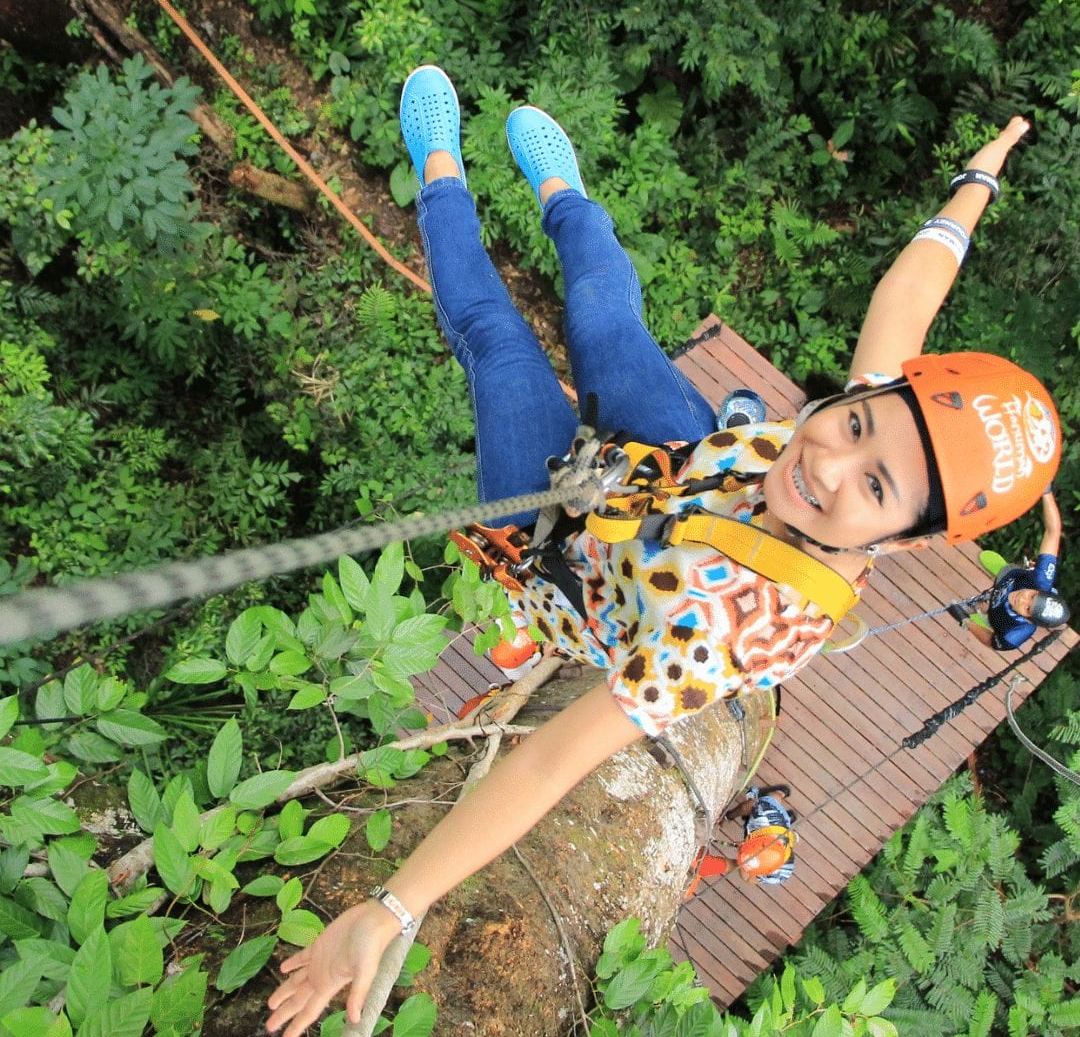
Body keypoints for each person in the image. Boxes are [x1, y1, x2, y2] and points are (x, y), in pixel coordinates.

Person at [266, 66, 1060, 1036]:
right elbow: (912, 289)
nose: (832, 462)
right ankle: (565, 196)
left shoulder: (725, 633)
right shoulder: (857, 435)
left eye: (878, 488)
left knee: (498, 343)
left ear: (906, 538)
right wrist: (980, 176)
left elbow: (550, 765)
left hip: (562, 543)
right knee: (604, 308)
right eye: (854, 425)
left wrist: (392, 909)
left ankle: (437, 171)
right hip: (683, 459)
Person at [953, 489, 1069, 649]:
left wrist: (966, 622)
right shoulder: (1042, 579)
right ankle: (1000, 570)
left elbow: (991, 641)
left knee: (989, 612)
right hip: (1012, 576)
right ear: (1041, 591)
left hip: (996, 615)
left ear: (1030, 621)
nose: (1022, 598)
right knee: (1006, 571)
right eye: (1032, 595)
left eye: (1028, 609)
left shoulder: (1014, 634)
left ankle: (979, 608)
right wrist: (1046, 491)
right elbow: (1053, 532)